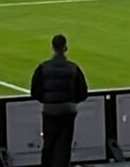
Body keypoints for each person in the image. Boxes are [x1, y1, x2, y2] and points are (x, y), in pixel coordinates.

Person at [29, 34, 88, 167]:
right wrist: (71, 101)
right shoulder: (73, 68)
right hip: (68, 109)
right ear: (65, 47)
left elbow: (35, 90)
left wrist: (47, 100)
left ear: (53, 47)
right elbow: (83, 91)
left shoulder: (43, 67)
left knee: (49, 142)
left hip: (50, 110)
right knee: (65, 144)